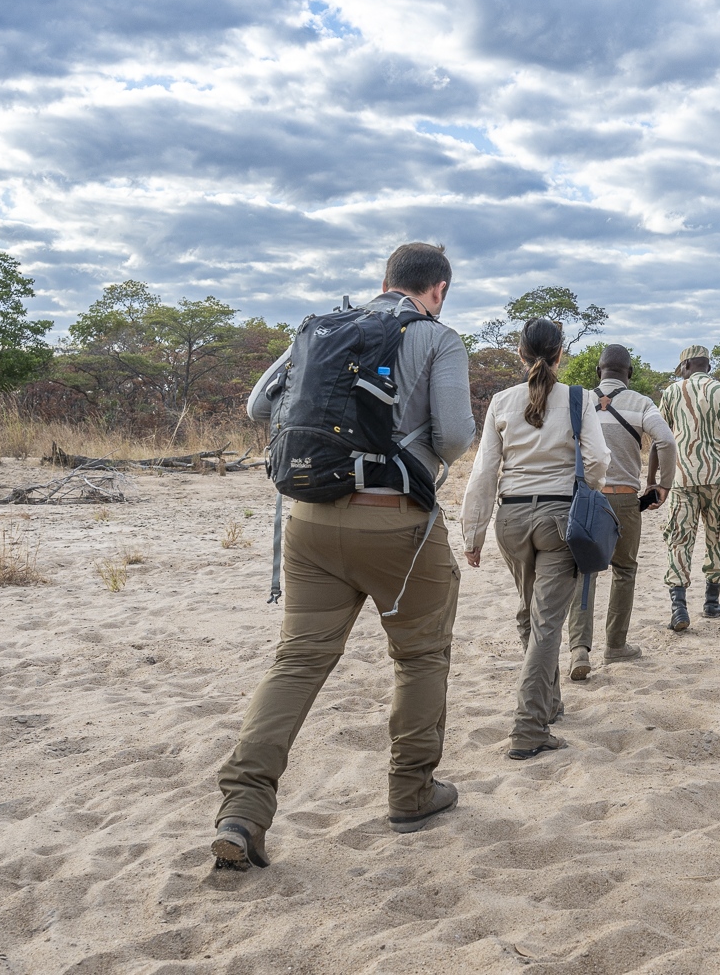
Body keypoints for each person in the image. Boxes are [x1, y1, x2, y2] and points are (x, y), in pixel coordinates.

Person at [212, 242, 474, 871]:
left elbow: (258, 406)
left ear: (384, 280)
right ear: (437, 289)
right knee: (420, 654)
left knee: (298, 661)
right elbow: (457, 434)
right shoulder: (438, 339)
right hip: (396, 527)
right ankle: (411, 791)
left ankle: (242, 811)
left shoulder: (321, 326)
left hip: (307, 523)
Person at [460, 318, 611, 760]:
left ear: (519, 353)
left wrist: (473, 532)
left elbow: (485, 471)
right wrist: (589, 491)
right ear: (560, 353)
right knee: (547, 623)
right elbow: (598, 459)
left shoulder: (501, 401)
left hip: (510, 519)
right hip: (558, 518)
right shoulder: (579, 398)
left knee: (530, 614)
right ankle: (529, 728)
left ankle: (550, 702)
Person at [564, 344, 676, 680]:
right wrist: (662, 484)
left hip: (585, 498)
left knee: (584, 571)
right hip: (626, 499)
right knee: (624, 570)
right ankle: (615, 646)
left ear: (599, 371)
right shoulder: (641, 403)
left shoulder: (579, 399)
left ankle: (579, 649)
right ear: (630, 373)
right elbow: (667, 442)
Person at [658, 344, 720, 632]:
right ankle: (711, 602)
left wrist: (657, 479)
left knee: (679, 539)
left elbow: (662, 439)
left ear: (685, 366)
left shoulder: (672, 392)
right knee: (717, 537)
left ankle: (679, 608)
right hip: (718, 477)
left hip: (682, 478)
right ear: (707, 366)